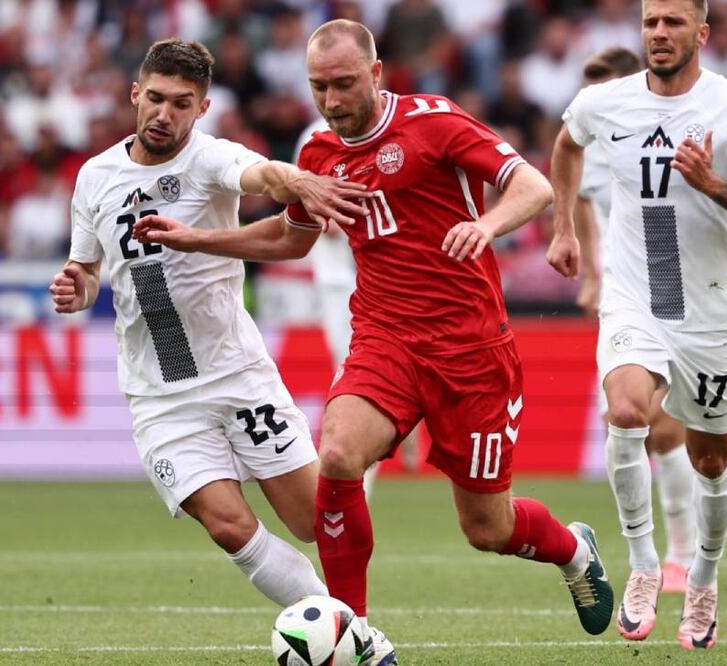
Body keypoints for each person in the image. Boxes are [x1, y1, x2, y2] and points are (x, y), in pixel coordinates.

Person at [131, 19, 614, 663]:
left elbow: (532, 185)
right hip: (384, 338)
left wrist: (487, 225)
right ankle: (353, 632)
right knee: (335, 456)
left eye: (344, 84)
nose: (331, 101)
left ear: (377, 73)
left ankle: (573, 550)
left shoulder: (434, 122)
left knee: (486, 527)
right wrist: (199, 239)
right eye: (318, 87)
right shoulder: (318, 157)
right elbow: (288, 238)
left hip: (471, 350)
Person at [48, 38, 369, 624]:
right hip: (160, 396)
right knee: (228, 526)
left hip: (237, 374)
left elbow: (260, 174)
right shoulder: (95, 177)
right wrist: (77, 288)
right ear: (135, 95)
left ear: (202, 108)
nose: (165, 114)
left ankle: (341, 621)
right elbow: (88, 269)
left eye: (182, 103)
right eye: (157, 99)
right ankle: (347, 631)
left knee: (312, 520)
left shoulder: (210, 159)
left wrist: (297, 181)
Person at [547, 0, 727, 649]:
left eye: (673, 22)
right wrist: (564, 227)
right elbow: (568, 143)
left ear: (701, 33)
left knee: (711, 458)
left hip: (707, 313)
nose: (658, 32)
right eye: (651, 21)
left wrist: (713, 184)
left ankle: (704, 577)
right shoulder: (608, 102)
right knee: (626, 413)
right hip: (635, 297)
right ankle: (645, 564)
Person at [574, 46, 700, 600]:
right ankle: (665, 554)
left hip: (679, 287)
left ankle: (681, 552)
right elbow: (583, 205)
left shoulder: (666, 137)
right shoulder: (591, 150)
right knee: (634, 416)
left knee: (668, 427)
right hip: (624, 293)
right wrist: (591, 271)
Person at [293, 118, 422, 499]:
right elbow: (304, 202)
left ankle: (356, 483)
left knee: (366, 374)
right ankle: (361, 474)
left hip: (388, 277)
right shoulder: (313, 138)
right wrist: (323, 216)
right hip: (338, 280)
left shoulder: (399, 131)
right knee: (351, 372)